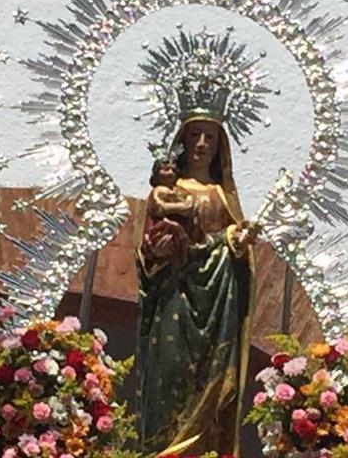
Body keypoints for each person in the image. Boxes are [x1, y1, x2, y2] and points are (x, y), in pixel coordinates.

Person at [135, 118, 260, 456]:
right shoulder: (167, 191)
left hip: (217, 305)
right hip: (175, 300)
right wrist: (155, 255)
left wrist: (237, 239)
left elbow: (234, 248)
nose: (202, 143)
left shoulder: (223, 195)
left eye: (211, 136)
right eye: (194, 135)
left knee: (214, 390)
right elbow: (146, 254)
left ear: (221, 146)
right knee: (168, 384)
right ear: (182, 141)